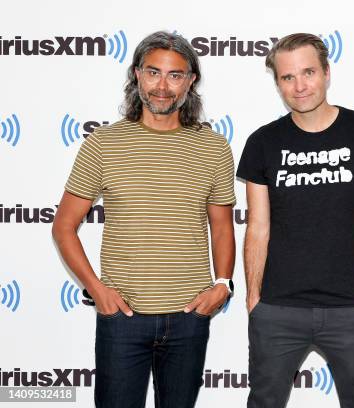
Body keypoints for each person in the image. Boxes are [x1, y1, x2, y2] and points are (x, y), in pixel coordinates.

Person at [52, 31, 236, 408]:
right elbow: (64, 226)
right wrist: (96, 289)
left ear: (191, 81)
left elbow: (221, 225)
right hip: (123, 317)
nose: (162, 86)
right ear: (137, 74)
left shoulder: (214, 147)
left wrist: (222, 284)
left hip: (189, 316)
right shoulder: (103, 143)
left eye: (175, 75)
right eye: (153, 72)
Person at [237, 33, 354, 408]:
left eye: (308, 72)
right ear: (277, 82)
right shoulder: (262, 142)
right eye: (287, 77)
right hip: (278, 309)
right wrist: (254, 299)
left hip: (351, 309)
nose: (299, 85)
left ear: (327, 72)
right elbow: (258, 227)